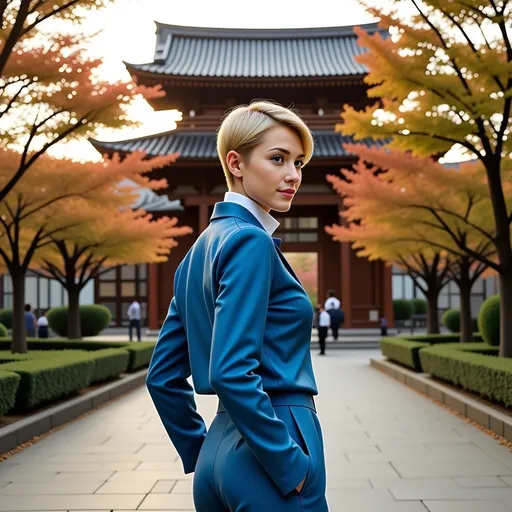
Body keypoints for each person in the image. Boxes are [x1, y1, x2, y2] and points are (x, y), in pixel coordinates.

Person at [146, 101, 327, 511]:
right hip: (274, 443)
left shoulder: (197, 251)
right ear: (237, 163)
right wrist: (290, 464)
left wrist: (200, 449)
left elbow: (161, 377)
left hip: (217, 449)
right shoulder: (251, 241)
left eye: (299, 162)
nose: (293, 175)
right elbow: (229, 370)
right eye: (278, 159)